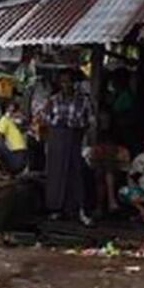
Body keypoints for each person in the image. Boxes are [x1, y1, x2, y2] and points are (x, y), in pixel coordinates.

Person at [41, 69, 94, 225]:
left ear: (74, 83)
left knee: (75, 173)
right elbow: (45, 119)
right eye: (62, 82)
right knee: (56, 174)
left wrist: (76, 127)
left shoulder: (83, 100)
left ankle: (78, 209)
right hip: (57, 140)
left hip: (75, 139)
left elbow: (90, 121)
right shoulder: (53, 100)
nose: (65, 85)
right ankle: (56, 209)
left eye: (68, 81)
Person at [86, 129, 130, 216]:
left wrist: (117, 161)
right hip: (98, 173)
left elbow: (126, 167)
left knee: (107, 171)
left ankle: (106, 204)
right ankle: (110, 201)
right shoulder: (94, 150)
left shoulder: (121, 151)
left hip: (117, 174)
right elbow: (90, 165)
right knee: (102, 173)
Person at [0, 100, 28, 178]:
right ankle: (7, 171)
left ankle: (4, 172)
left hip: (16, 158)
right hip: (22, 159)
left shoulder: (5, 119)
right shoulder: (16, 122)